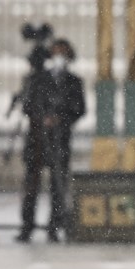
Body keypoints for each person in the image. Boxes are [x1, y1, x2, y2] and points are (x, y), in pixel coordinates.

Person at [17, 38, 85, 243]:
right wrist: (41, 118)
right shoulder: (38, 79)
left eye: (63, 53)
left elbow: (79, 109)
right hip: (37, 141)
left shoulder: (74, 82)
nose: (59, 57)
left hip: (60, 140)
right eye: (55, 52)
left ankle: (54, 227)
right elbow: (27, 105)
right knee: (31, 186)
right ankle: (27, 226)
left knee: (58, 186)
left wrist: (60, 119)